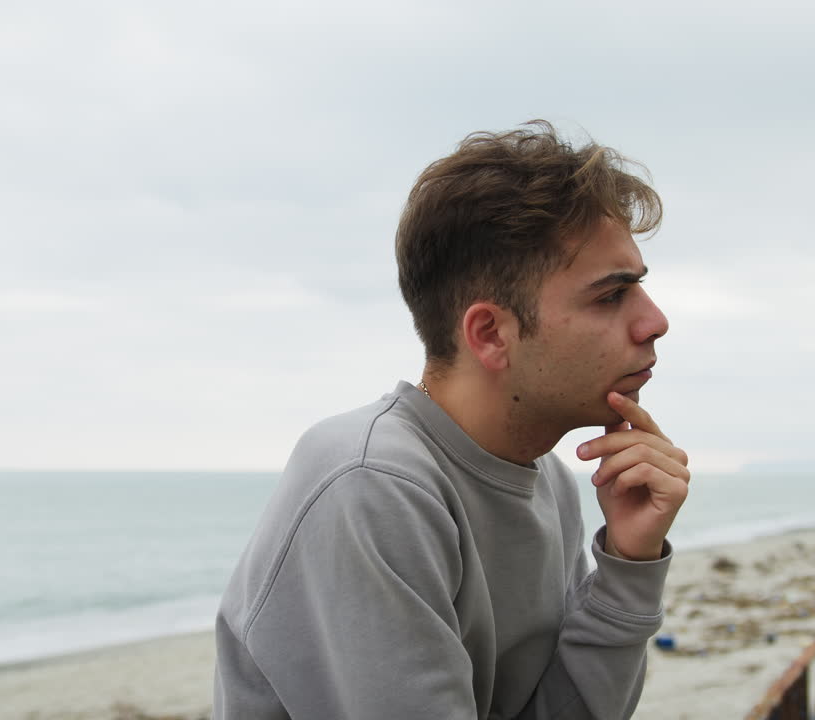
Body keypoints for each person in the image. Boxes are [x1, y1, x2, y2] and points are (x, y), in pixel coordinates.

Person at [213, 120, 690, 719]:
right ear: (491, 334)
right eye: (611, 296)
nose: (655, 321)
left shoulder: (547, 478)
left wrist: (629, 565)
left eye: (639, 289)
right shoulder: (370, 482)